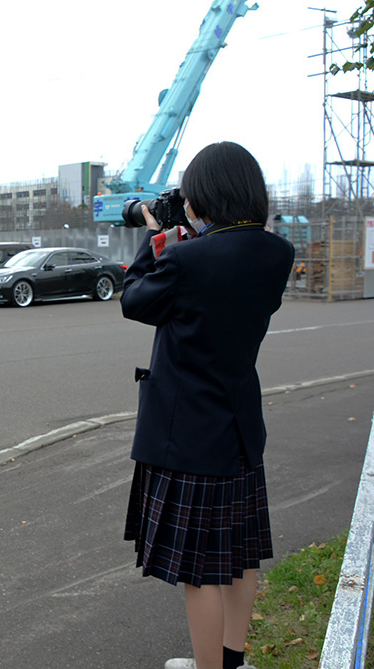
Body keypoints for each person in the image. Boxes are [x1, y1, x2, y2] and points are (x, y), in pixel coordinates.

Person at [120, 142, 295, 669]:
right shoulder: (277, 253)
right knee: (240, 559)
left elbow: (134, 301)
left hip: (189, 433)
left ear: (205, 195)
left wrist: (157, 240)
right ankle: (233, 660)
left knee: (199, 572)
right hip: (240, 427)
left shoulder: (185, 256)